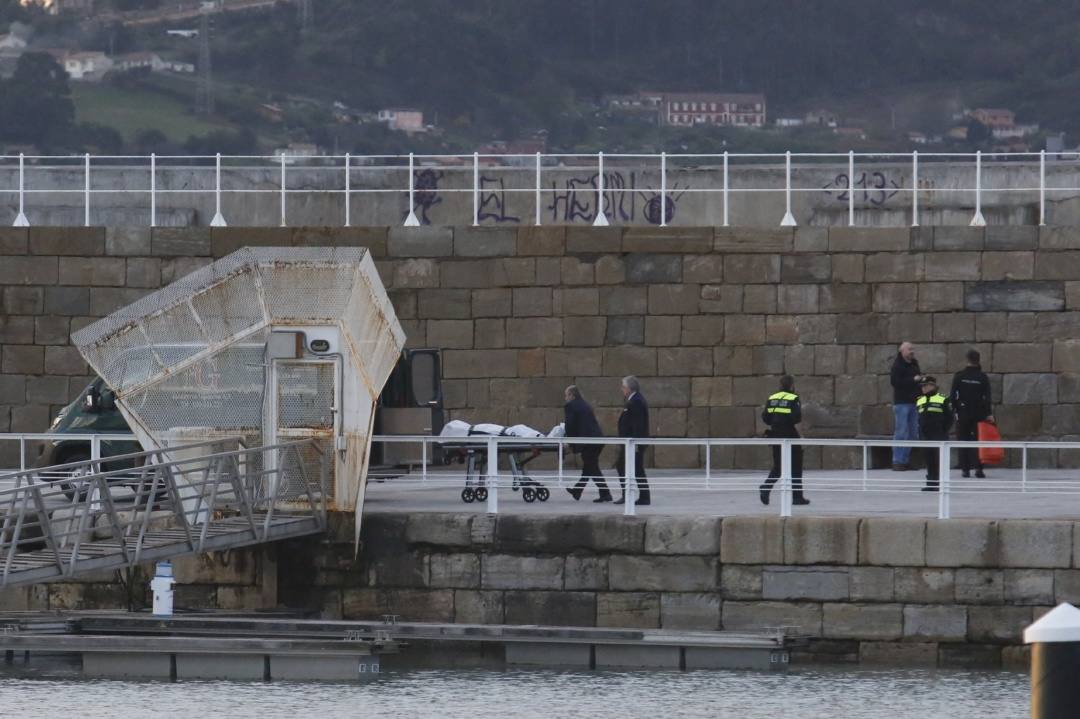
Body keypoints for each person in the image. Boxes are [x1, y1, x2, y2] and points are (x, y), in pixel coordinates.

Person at [758, 375, 810, 506]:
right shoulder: (793, 398)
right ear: (792, 386)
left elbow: (765, 418)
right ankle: (797, 497)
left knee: (779, 466)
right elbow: (796, 418)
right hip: (790, 434)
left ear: (780, 385)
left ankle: (766, 487)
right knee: (796, 465)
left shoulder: (772, 398)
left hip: (775, 434)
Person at [563, 385, 612, 503]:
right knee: (589, 466)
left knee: (592, 467)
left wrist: (570, 443)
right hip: (597, 439)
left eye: (566, 395)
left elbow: (570, 426)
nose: (565, 398)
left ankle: (606, 494)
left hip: (589, 442)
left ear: (571, 395)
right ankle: (578, 490)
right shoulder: (584, 404)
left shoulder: (571, 405)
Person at [950, 349, 993, 479]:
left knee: (963, 441)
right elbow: (987, 397)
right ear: (978, 360)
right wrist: (988, 413)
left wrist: (957, 410)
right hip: (979, 414)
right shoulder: (982, 377)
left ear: (967, 360)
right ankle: (979, 469)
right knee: (979, 441)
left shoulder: (959, 376)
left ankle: (965, 469)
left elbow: (953, 396)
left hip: (963, 414)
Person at [614, 376, 650, 506]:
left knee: (624, 466)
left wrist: (635, 443)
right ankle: (644, 497)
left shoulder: (636, 401)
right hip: (630, 442)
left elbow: (638, 424)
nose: (621, 389)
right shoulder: (633, 399)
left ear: (629, 388)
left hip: (633, 443)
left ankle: (628, 495)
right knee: (636, 468)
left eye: (623, 387)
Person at [890, 342, 924, 471]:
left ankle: (905, 460)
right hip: (902, 403)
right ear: (902, 351)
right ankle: (897, 461)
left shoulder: (914, 363)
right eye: (909, 349)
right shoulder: (897, 365)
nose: (912, 351)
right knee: (901, 432)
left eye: (912, 349)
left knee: (912, 433)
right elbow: (895, 382)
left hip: (914, 402)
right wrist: (913, 380)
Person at [916, 376, 953, 491]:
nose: (923, 388)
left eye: (925, 385)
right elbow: (919, 418)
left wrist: (943, 430)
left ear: (932, 385)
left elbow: (950, 418)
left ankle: (941, 483)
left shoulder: (943, 399)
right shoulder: (919, 400)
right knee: (929, 459)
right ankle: (931, 483)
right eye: (922, 386)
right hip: (925, 435)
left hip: (939, 434)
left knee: (939, 460)